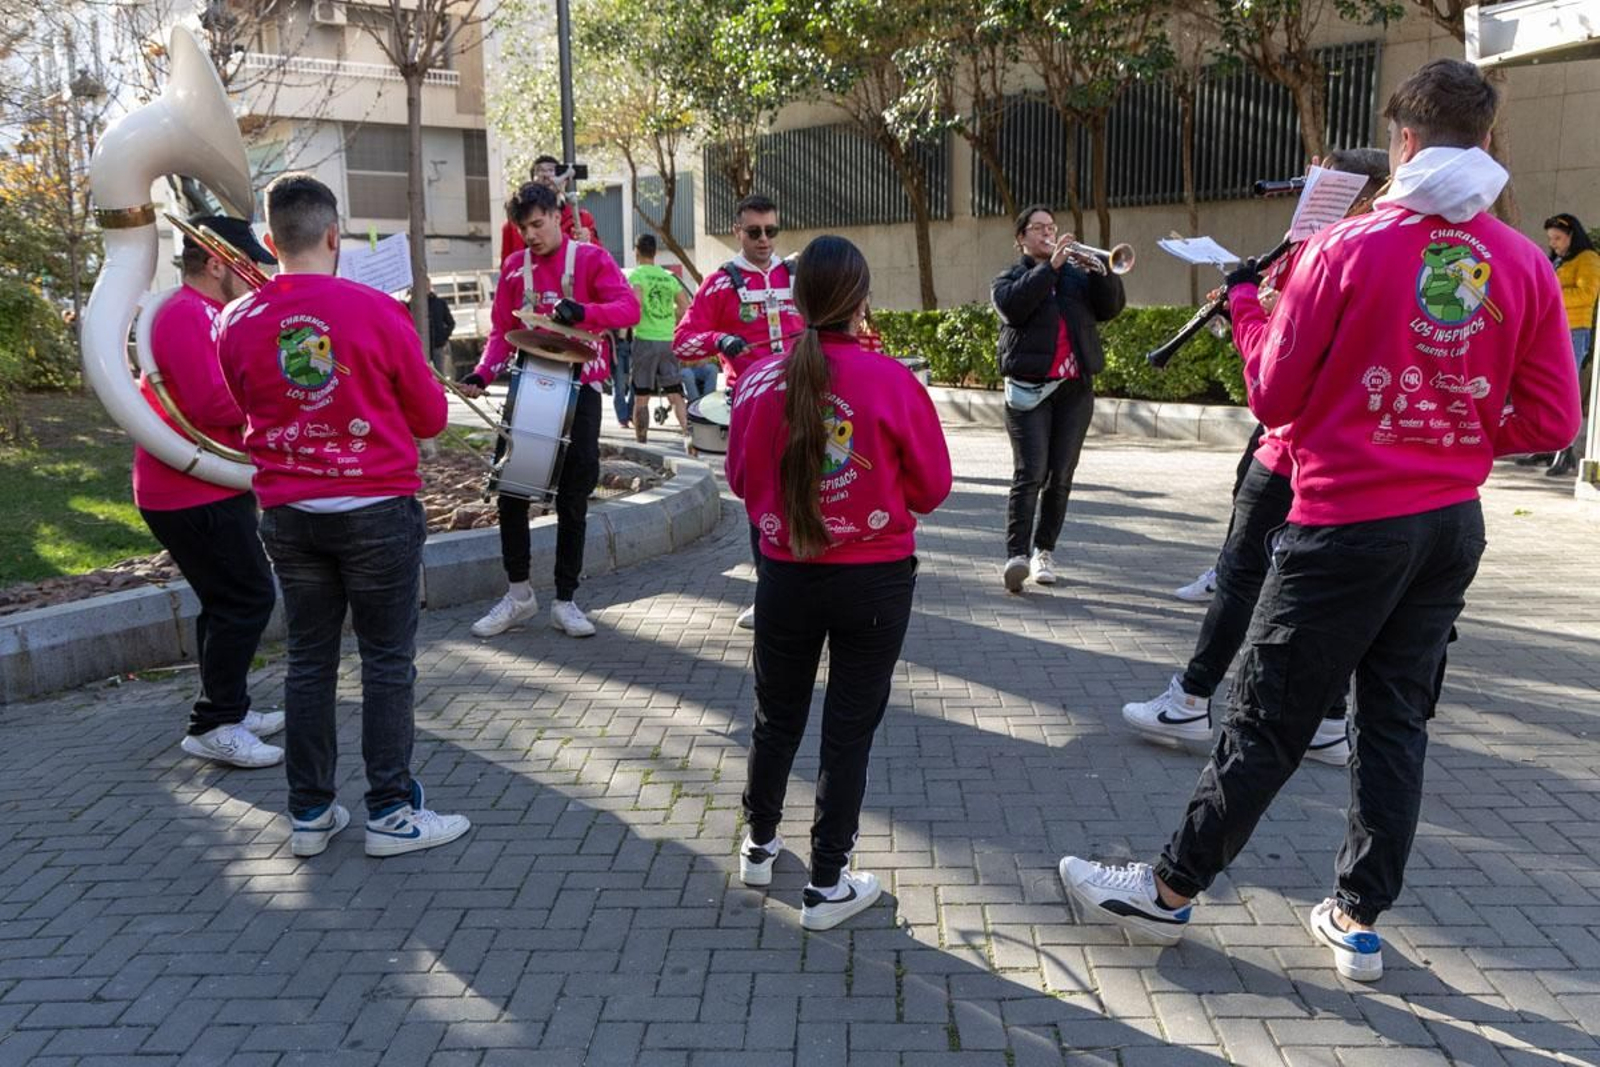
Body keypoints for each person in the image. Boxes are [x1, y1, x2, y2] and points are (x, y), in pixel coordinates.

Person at [1060, 60, 1580, 982]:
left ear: (1404, 142)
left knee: (1266, 718)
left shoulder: (1345, 248)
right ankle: (1356, 914)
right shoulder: (1525, 261)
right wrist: (1448, 425)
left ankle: (1167, 893)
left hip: (1344, 524)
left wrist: (1253, 306)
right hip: (1449, 526)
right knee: (1395, 721)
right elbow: (1550, 422)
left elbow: (1272, 391)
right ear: (1490, 142)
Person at [217, 173, 472, 859]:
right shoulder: (376, 312)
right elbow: (432, 416)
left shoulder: (233, 322)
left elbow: (242, 408)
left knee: (309, 662)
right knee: (387, 662)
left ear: (269, 241)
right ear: (335, 236)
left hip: (289, 515)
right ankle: (389, 811)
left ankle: (309, 813)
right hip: (376, 510)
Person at [1125, 147, 1393, 768]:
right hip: (1351, 448)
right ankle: (1329, 721)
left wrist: (1245, 302)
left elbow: (1273, 375)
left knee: (1240, 573)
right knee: (1332, 594)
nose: (1309, 194)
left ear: (1354, 193)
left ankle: (1191, 701)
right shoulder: (1383, 250)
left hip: (1296, 440)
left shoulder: (1331, 250)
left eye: (1323, 184)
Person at [726, 235, 952, 931]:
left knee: (775, 714)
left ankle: (759, 843)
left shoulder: (761, 379)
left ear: (796, 300)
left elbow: (739, 478)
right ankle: (828, 882)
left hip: (786, 575)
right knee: (847, 730)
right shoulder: (891, 380)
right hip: (874, 583)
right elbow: (933, 486)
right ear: (859, 300)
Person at [459, 181, 641, 640]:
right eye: (523, 228)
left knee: (573, 499)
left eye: (537, 224)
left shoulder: (592, 260)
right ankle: (519, 595)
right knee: (511, 493)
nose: (531, 235)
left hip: (581, 391)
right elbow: (502, 331)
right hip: (527, 388)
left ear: (558, 215)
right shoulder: (513, 268)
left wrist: (581, 312)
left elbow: (628, 308)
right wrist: (482, 374)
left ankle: (566, 600)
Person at [135, 215, 281, 770]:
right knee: (248, 597)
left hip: (203, 483)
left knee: (226, 601)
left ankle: (230, 708)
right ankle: (214, 724)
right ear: (216, 262)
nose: (254, 275)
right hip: (190, 489)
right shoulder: (186, 314)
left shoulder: (204, 312)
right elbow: (213, 405)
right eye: (245, 263)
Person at [675, 193, 804, 629]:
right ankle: (768, 593)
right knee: (761, 500)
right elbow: (682, 342)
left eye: (771, 230)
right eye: (754, 232)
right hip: (751, 410)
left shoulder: (798, 275)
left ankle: (813, 589)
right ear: (738, 231)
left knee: (809, 494)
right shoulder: (720, 284)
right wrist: (719, 341)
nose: (765, 240)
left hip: (804, 401)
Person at [992, 205, 1126, 594]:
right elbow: (1014, 307)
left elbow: (1110, 309)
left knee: (1060, 476)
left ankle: (1043, 552)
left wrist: (1102, 273)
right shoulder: (1010, 277)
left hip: (1074, 390)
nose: (1047, 233)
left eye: (1052, 227)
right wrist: (1049, 267)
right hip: (1029, 390)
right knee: (1030, 473)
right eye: (1038, 228)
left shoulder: (1075, 275)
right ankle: (1016, 555)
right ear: (1021, 238)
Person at [1537, 213, 1598, 476]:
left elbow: (1587, 294)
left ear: (1573, 235)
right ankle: (1549, 446)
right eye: (1551, 239)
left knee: (1567, 392)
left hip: (1574, 331)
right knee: (1547, 391)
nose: (1554, 244)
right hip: (1551, 332)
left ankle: (1566, 451)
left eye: (1559, 238)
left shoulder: (1589, 260)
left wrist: (1551, 294)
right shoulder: (1560, 260)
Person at [625, 233, 691, 443]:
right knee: (675, 392)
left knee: (642, 395)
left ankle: (642, 440)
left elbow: (635, 303)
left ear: (636, 251)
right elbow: (685, 307)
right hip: (667, 340)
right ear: (655, 252)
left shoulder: (637, 275)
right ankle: (688, 435)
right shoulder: (668, 277)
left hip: (645, 338)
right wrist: (671, 321)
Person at [499, 155, 596, 261]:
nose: (546, 176)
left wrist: (588, 242)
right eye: (539, 171)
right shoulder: (513, 226)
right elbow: (507, 268)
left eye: (551, 170)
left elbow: (598, 261)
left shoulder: (581, 219)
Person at [425, 289, 455, 372]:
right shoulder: (412, 304)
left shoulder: (439, 303)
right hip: (421, 347)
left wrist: (443, 337)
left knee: (440, 374)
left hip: (437, 346)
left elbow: (451, 323)